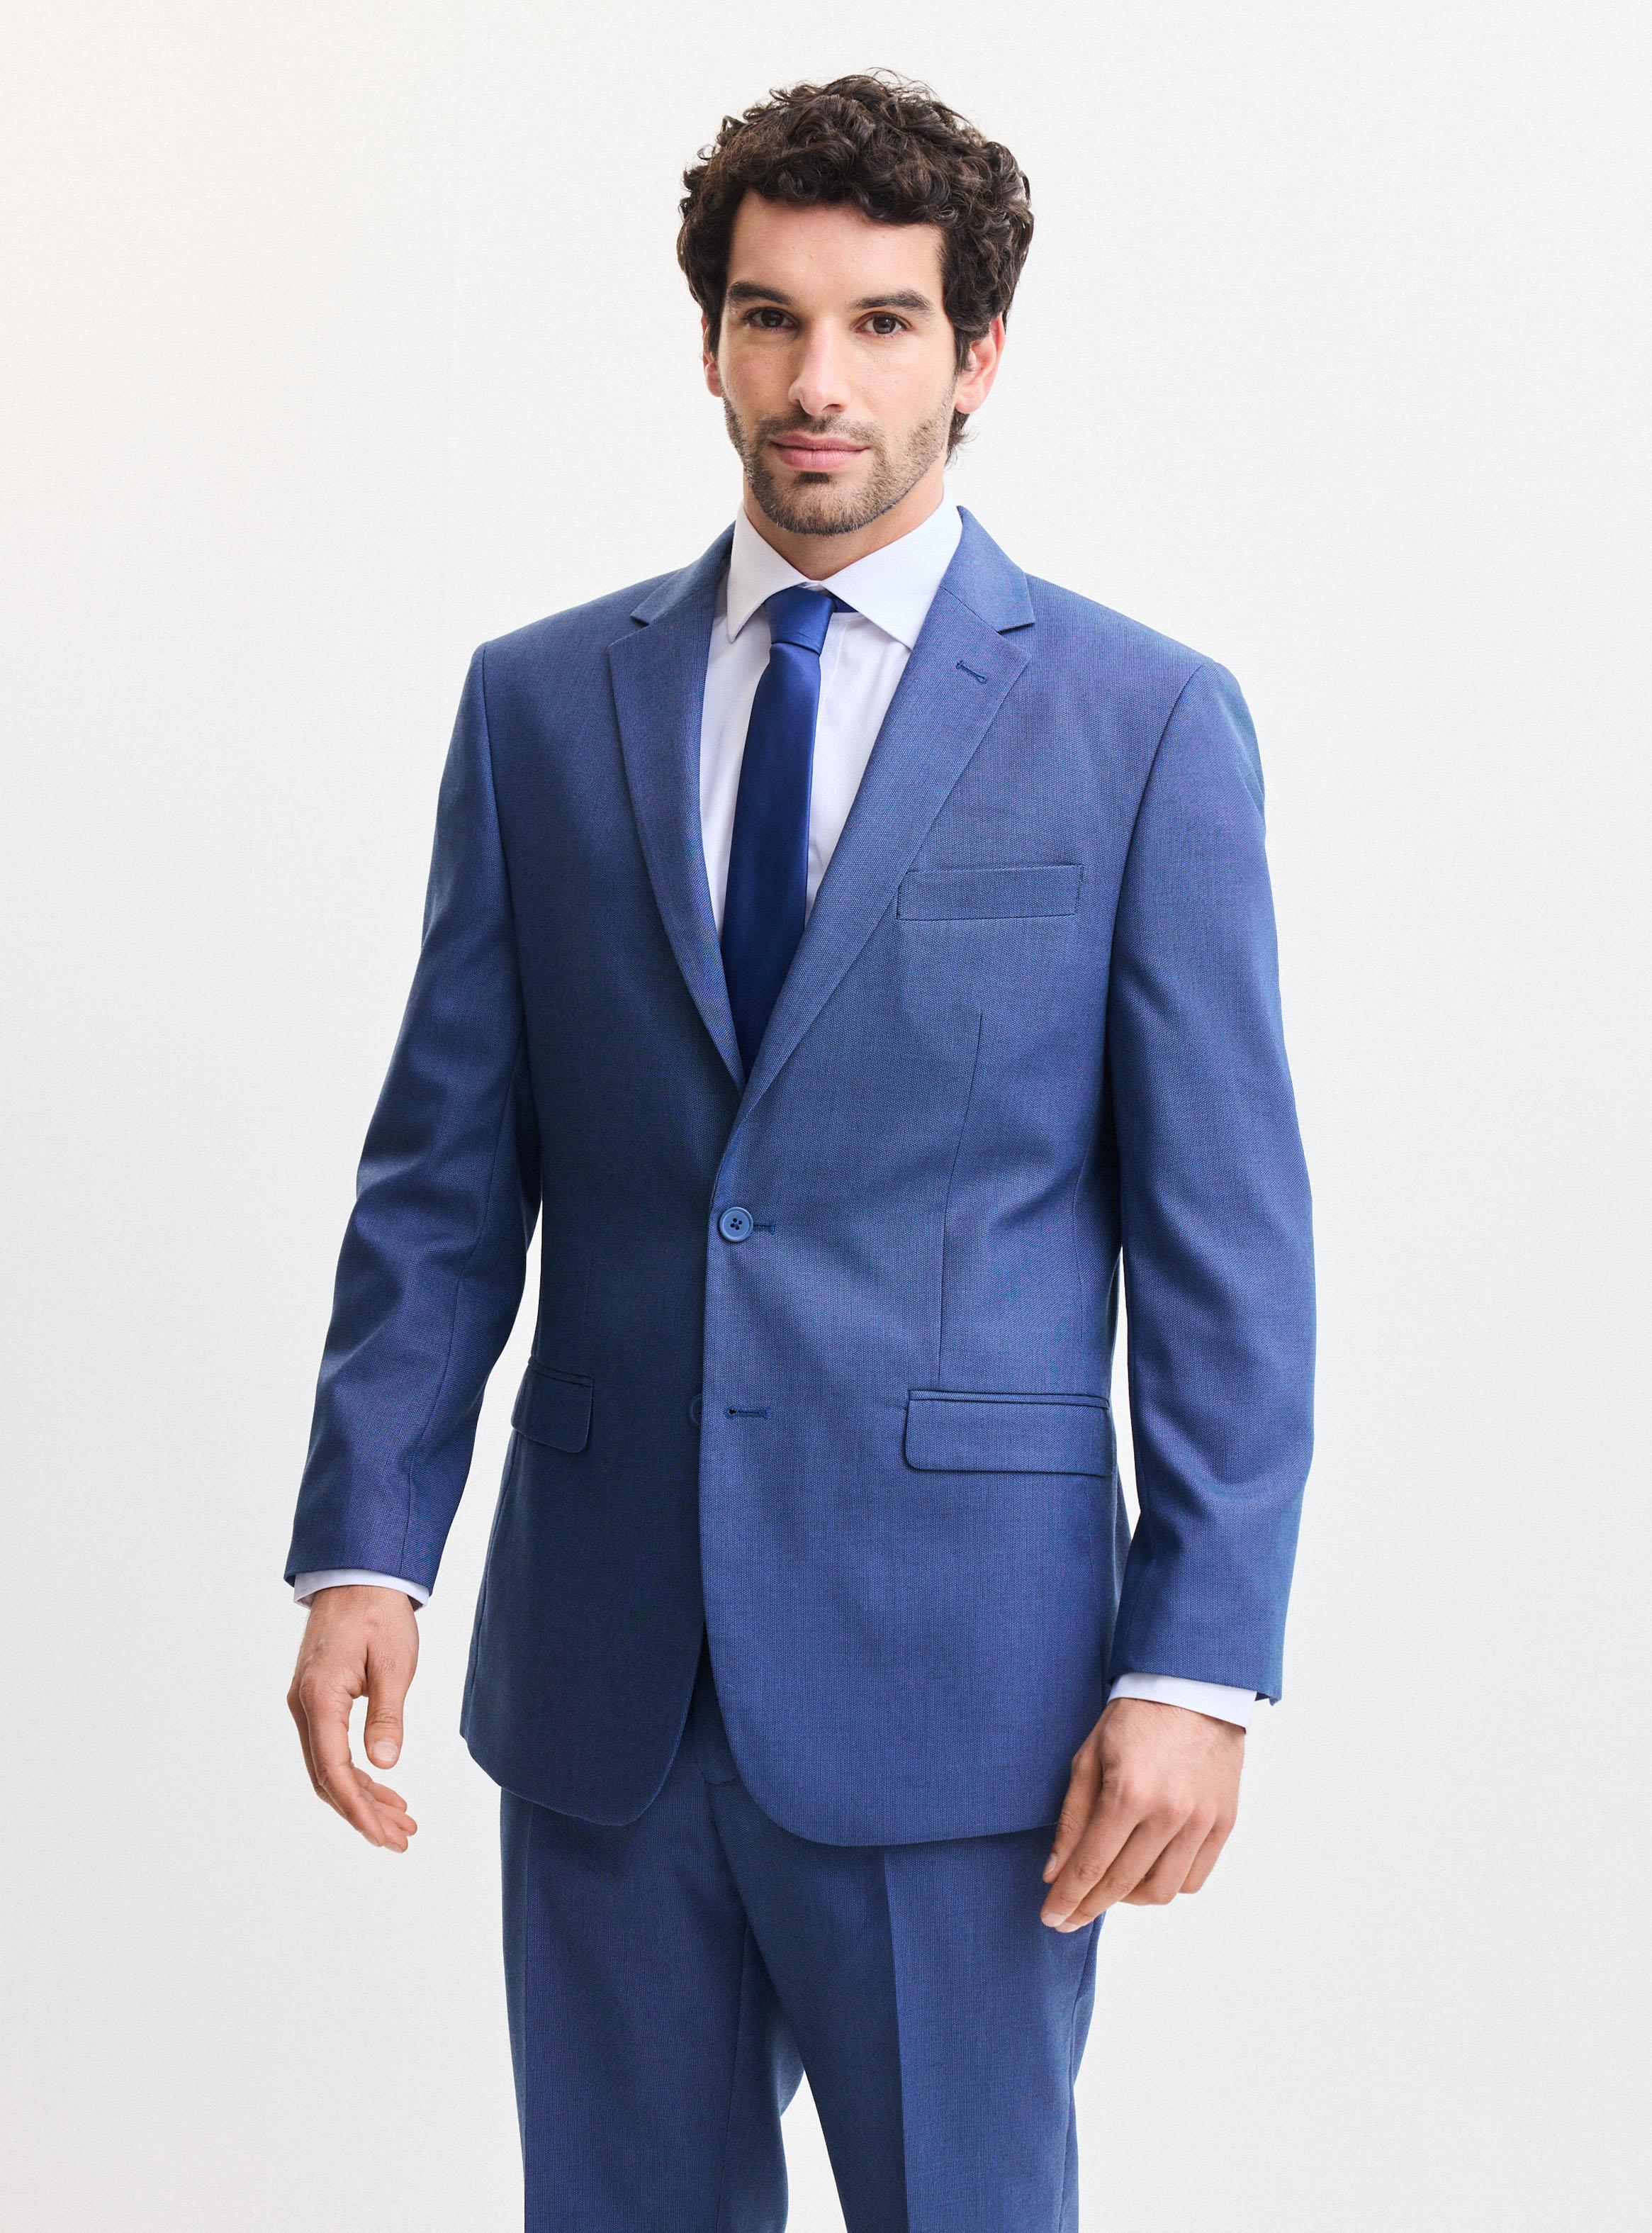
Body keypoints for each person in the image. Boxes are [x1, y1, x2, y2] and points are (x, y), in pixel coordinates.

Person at [284, 71, 1315, 2232]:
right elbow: (442, 1181)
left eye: (878, 324)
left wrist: (1194, 1662)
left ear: (977, 356)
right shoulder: (539, 706)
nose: (816, 381)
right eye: (769, 319)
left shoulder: (1138, 725)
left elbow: (1224, 1246)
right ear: (710, 343)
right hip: (604, 1676)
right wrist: (367, 1547)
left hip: (968, 1696)